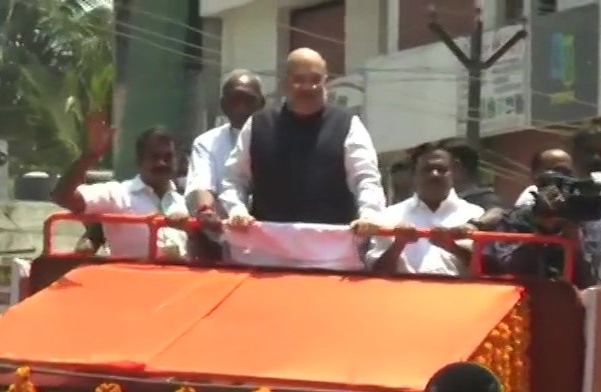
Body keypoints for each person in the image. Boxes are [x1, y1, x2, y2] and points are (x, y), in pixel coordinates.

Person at [219, 47, 385, 232]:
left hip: (332, 249)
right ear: (284, 82)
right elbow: (234, 179)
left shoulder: (348, 124)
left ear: (325, 81)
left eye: (315, 80)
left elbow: (366, 179)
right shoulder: (258, 125)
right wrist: (236, 210)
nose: (308, 87)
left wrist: (369, 214)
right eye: (298, 80)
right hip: (268, 247)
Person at [511, 129, 601, 295]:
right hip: (543, 299)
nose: (596, 158)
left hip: (598, 309)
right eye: (588, 152)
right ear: (572, 154)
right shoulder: (537, 194)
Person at [50, 117, 189, 259]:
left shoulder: (186, 201)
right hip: (130, 278)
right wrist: (91, 155)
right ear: (139, 161)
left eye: (168, 157)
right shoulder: (117, 194)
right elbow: (63, 197)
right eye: (155, 157)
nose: (162, 163)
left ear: (177, 161)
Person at [366, 141, 483, 275]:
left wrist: (451, 247)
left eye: (441, 169)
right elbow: (376, 272)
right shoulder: (389, 216)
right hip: (403, 293)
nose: (434, 174)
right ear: (414, 175)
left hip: (460, 294)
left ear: (453, 173)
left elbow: (489, 269)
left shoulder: (475, 215)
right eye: (427, 169)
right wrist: (399, 244)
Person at [186, 70, 265, 260]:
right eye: (235, 100)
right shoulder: (207, 142)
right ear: (223, 105)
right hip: (217, 243)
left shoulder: (278, 139)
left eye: (249, 100)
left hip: (268, 244)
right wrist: (205, 211)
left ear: (261, 105)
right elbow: (201, 184)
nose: (242, 107)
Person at [444, 139, 505, 230]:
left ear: (457, 166)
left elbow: (497, 212)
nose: (434, 174)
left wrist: (474, 225)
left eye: (441, 167)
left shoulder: (484, 198)